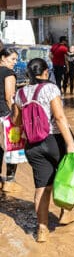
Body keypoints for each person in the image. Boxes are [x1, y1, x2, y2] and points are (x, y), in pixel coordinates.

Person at [14, 58, 74, 242]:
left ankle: (42, 228)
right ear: (46, 72)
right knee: (66, 177)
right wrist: (71, 144)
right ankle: (65, 214)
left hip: (33, 145)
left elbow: (17, 122)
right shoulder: (51, 88)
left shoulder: (21, 93)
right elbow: (58, 117)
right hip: (54, 140)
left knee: (42, 186)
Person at [0, 48, 19, 192]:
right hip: (6, 116)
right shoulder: (9, 73)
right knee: (13, 147)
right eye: (13, 59)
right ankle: (9, 181)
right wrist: (15, 116)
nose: (15, 62)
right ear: (3, 58)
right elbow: (9, 97)